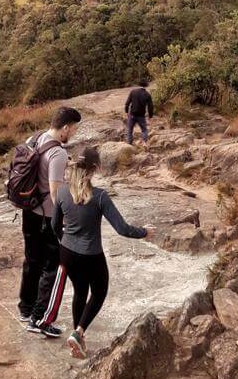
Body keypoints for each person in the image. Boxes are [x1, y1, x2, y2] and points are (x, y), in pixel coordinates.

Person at [40, 145, 154, 358]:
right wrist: (144, 232)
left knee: (80, 292)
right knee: (99, 292)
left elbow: (55, 225)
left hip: (67, 252)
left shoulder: (63, 191)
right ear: (96, 168)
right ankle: (79, 332)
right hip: (90, 255)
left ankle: (78, 337)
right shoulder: (100, 197)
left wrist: (65, 242)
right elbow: (123, 229)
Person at [17, 105, 82, 337]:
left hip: (29, 211)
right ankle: (39, 318)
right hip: (47, 217)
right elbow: (55, 194)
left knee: (31, 261)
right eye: (74, 128)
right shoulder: (58, 153)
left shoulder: (36, 138)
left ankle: (25, 308)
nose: (73, 133)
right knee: (52, 267)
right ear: (65, 127)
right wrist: (65, 220)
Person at [124, 79, 153, 147]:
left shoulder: (133, 91)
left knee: (129, 129)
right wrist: (150, 116)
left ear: (139, 84)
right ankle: (145, 143)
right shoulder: (147, 94)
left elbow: (127, 103)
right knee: (144, 130)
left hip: (132, 114)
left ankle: (129, 143)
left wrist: (126, 111)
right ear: (146, 85)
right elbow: (150, 106)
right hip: (141, 116)